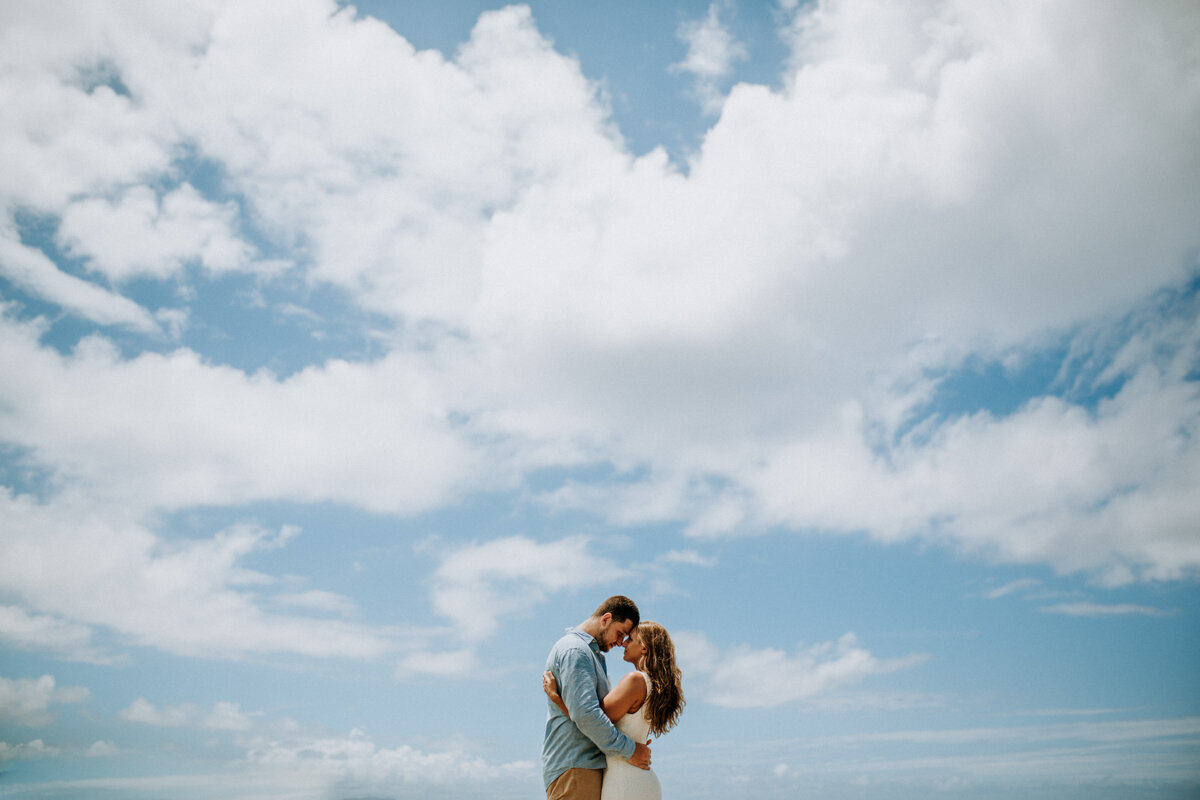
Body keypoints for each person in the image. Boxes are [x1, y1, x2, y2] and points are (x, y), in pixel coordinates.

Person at [544, 620, 685, 800]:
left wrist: (557, 698)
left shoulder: (635, 680)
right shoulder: (653, 686)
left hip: (624, 781)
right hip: (641, 779)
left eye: (631, 639)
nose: (623, 643)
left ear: (644, 648)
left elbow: (593, 719)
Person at [542, 595, 653, 800]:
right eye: (620, 633)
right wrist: (630, 749)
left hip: (586, 765)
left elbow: (594, 713)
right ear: (605, 619)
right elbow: (585, 714)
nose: (620, 642)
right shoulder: (576, 650)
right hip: (577, 765)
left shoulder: (590, 654)